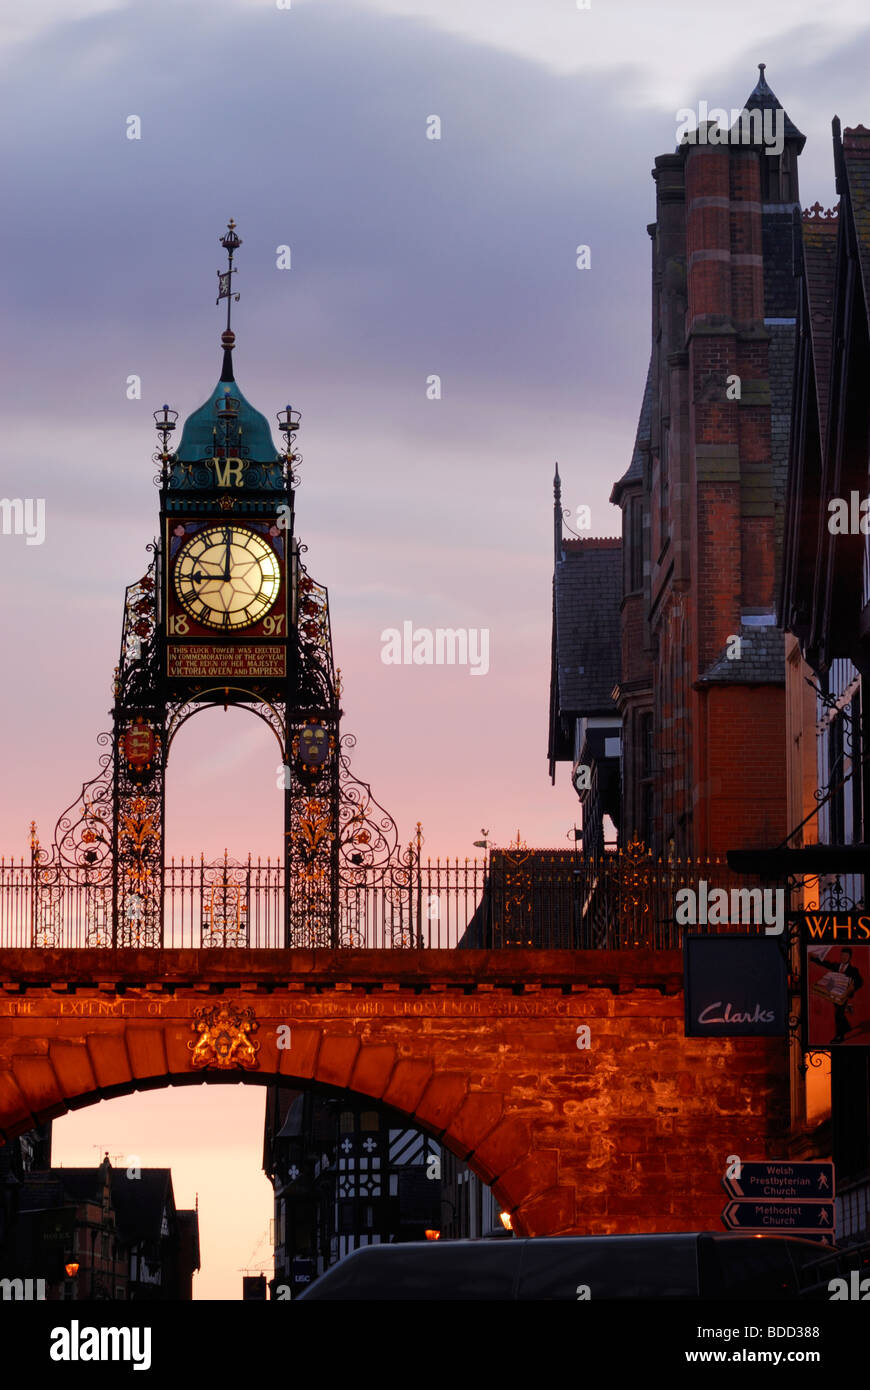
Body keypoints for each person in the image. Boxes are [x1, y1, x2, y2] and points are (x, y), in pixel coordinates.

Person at [810, 947, 864, 1043]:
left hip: (844, 994)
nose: (844, 957)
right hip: (833, 992)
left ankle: (839, 1036)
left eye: (846, 955)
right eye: (842, 955)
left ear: (850, 957)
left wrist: (852, 988)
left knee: (838, 1014)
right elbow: (825, 963)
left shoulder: (853, 970)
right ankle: (847, 1027)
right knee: (839, 1012)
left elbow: (860, 982)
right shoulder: (836, 965)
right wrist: (813, 958)